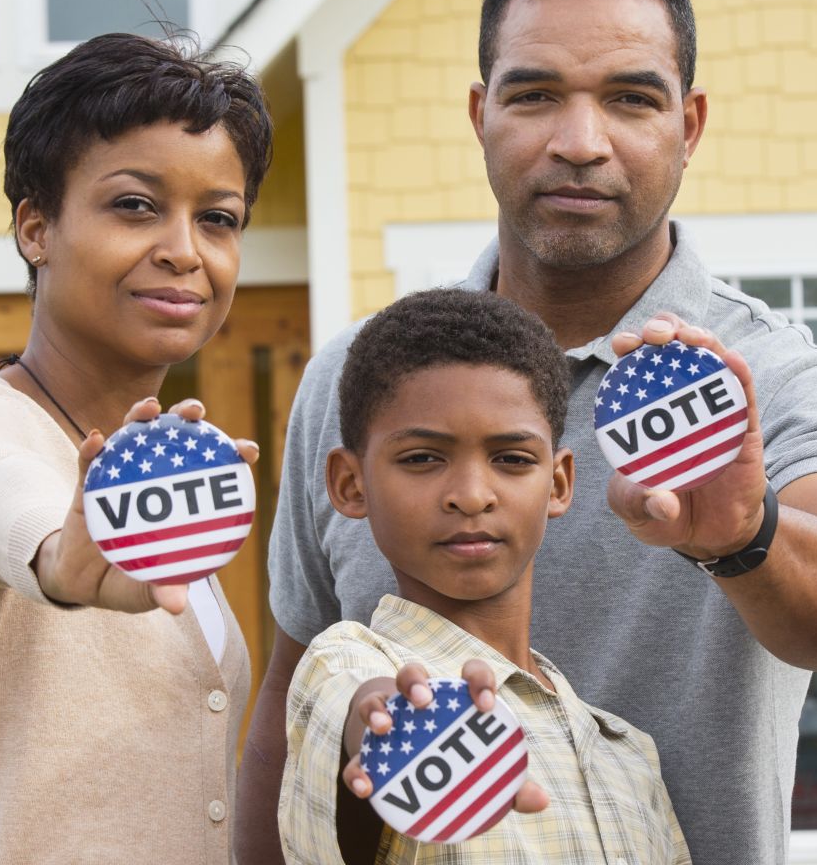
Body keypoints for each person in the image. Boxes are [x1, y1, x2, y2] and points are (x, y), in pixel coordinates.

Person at [236, 0, 817, 865]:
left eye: (632, 99)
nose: (580, 142)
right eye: (535, 95)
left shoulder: (775, 376)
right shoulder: (361, 376)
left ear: (692, 123)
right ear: (481, 114)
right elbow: (292, 697)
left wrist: (743, 534)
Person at [0, 32, 274, 864]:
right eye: (135, 205)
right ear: (36, 228)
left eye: (217, 219)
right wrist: (54, 555)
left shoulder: (157, 483)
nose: (185, 250)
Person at [279, 288, 691, 864]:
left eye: (512, 459)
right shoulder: (356, 664)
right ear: (351, 484)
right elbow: (353, 704)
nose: (472, 496)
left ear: (558, 483)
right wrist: (383, 719)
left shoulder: (624, 754)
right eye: (423, 457)